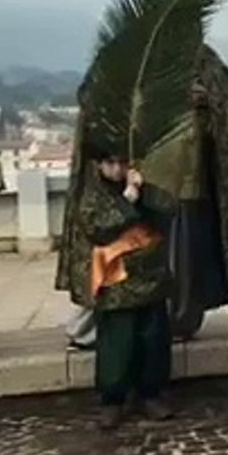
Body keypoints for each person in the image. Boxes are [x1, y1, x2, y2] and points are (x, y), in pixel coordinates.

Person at [58, 46, 228, 342]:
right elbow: (94, 97)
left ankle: (178, 320)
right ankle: (112, 324)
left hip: (185, 174)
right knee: (126, 253)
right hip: (136, 178)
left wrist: (206, 101)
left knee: (182, 258)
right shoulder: (125, 51)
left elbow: (221, 98)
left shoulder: (202, 59)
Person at [73, 145, 177, 431]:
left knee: (153, 339)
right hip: (116, 277)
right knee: (117, 342)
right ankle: (112, 399)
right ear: (100, 165)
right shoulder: (93, 191)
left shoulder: (145, 181)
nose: (117, 170)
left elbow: (170, 208)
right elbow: (97, 227)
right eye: (111, 163)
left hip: (150, 272)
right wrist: (126, 202)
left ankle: (151, 393)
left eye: (123, 163)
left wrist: (144, 192)